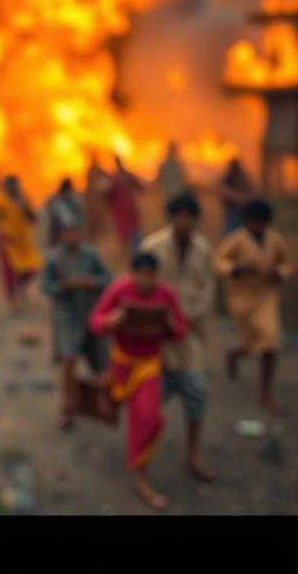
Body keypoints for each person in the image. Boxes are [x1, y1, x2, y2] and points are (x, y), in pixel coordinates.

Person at [89, 251, 189, 510]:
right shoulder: (119, 289)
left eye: (150, 275)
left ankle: (140, 474)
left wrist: (169, 323)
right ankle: (104, 390)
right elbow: (96, 321)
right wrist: (112, 319)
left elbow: (181, 330)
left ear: (156, 275)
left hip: (148, 365)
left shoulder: (166, 294)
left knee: (148, 418)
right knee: (116, 408)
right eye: (140, 275)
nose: (145, 281)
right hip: (122, 362)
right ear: (132, 273)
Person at [140, 192, 216, 482]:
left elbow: (208, 294)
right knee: (150, 399)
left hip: (190, 338)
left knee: (196, 391)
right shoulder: (153, 246)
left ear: (196, 219)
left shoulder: (204, 249)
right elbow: (143, 288)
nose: (184, 222)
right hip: (157, 337)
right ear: (170, 217)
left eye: (189, 216)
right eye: (179, 216)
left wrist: (184, 318)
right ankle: (142, 457)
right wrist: (163, 320)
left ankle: (192, 454)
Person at [214, 197, 292, 415]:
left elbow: (286, 263)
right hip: (242, 297)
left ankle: (265, 393)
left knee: (269, 341)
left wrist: (279, 273)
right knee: (251, 343)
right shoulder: (236, 240)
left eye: (262, 222)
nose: (258, 225)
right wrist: (237, 268)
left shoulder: (274, 239)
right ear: (246, 220)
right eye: (255, 221)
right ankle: (234, 354)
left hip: (266, 296)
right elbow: (219, 261)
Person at [41, 216, 112, 430]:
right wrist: (63, 286)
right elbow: (46, 286)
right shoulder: (54, 258)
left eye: (75, 231)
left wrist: (89, 282)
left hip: (90, 312)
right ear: (61, 235)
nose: (71, 236)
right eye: (67, 232)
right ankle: (67, 407)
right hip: (67, 316)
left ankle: (102, 401)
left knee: (102, 362)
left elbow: (107, 278)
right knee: (68, 359)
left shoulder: (90, 255)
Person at [0, 174, 41, 314]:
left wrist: (24, 208)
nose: (12, 189)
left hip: (23, 241)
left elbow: (33, 218)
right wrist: (1, 230)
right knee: (9, 273)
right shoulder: (1, 200)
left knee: (32, 267)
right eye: (9, 186)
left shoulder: (23, 198)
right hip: (8, 242)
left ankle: (22, 288)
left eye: (15, 185)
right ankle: (13, 303)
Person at [106, 155, 146, 257]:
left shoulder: (126, 176)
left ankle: (137, 257)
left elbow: (140, 187)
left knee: (136, 239)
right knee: (125, 239)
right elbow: (106, 194)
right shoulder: (113, 178)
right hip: (121, 214)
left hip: (130, 212)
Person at [40, 177, 85, 249]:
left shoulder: (73, 200)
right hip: (58, 233)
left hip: (72, 232)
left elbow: (79, 216)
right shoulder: (54, 200)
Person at [219, 158, 255, 236]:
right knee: (231, 236)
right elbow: (222, 191)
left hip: (242, 213)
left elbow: (250, 193)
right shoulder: (228, 179)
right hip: (232, 212)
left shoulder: (243, 178)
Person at [84, 153, 110, 242]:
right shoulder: (91, 171)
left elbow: (107, 180)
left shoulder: (99, 170)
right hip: (92, 204)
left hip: (100, 202)